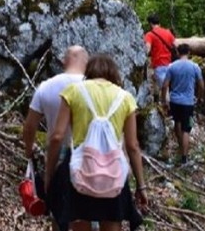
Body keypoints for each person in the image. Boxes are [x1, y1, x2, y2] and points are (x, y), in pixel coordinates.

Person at [45, 54, 148, 231]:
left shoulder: (74, 91)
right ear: (113, 74)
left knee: (79, 221)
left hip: (78, 170)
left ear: (89, 71)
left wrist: (49, 174)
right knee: (112, 222)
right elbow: (132, 146)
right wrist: (141, 185)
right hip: (113, 174)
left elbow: (57, 137)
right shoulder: (125, 98)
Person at [22, 45, 88, 230]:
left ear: (64, 61)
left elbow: (29, 128)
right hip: (88, 156)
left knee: (58, 213)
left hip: (56, 156)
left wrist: (29, 153)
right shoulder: (93, 86)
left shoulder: (46, 87)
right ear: (86, 61)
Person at [161, 44, 204, 166]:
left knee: (177, 123)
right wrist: (200, 98)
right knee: (187, 129)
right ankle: (184, 158)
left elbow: (165, 86)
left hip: (175, 101)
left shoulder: (172, 66)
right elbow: (201, 85)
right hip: (188, 103)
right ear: (189, 52)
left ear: (178, 53)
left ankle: (181, 147)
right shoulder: (195, 67)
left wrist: (164, 101)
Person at [144, 13, 176, 93]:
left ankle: (166, 104)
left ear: (150, 23)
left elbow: (147, 49)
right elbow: (175, 45)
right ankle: (157, 98)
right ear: (159, 23)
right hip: (170, 65)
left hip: (159, 65)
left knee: (165, 90)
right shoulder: (168, 33)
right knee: (168, 87)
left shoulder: (149, 35)